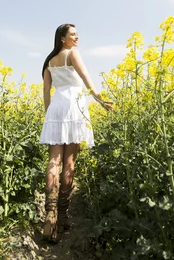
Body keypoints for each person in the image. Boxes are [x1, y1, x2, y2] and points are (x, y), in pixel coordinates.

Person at [39, 23, 113, 242]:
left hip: (56, 108)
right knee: (69, 162)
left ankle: (49, 215)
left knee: (54, 160)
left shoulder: (49, 61)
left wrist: (49, 116)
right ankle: (62, 216)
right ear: (63, 38)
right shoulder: (73, 53)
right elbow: (86, 76)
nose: (77, 36)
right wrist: (99, 99)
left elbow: (46, 92)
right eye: (72, 34)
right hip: (74, 106)